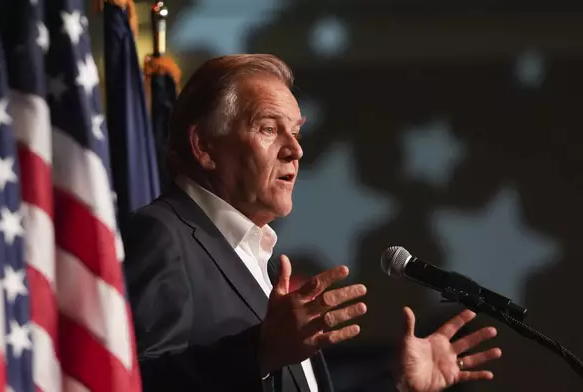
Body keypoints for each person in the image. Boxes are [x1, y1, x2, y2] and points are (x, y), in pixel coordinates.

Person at [121, 54, 502, 392]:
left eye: (297, 132)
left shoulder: (257, 258)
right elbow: (129, 380)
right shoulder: (162, 234)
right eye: (269, 129)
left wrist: (397, 383)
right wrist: (260, 351)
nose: (296, 150)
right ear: (204, 147)